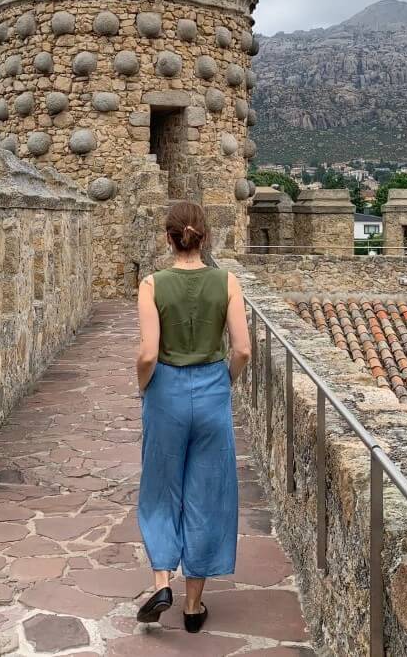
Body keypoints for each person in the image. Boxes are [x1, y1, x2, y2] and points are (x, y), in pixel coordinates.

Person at [134, 201, 252, 633]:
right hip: (211, 391)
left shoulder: (152, 283)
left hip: (165, 390)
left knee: (159, 489)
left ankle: (162, 581)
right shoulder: (227, 281)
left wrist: (143, 384)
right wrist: (224, 381)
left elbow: (148, 352)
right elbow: (241, 348)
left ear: (169, 238)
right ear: (206, 237)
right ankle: (192, 606)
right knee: (207, 494)